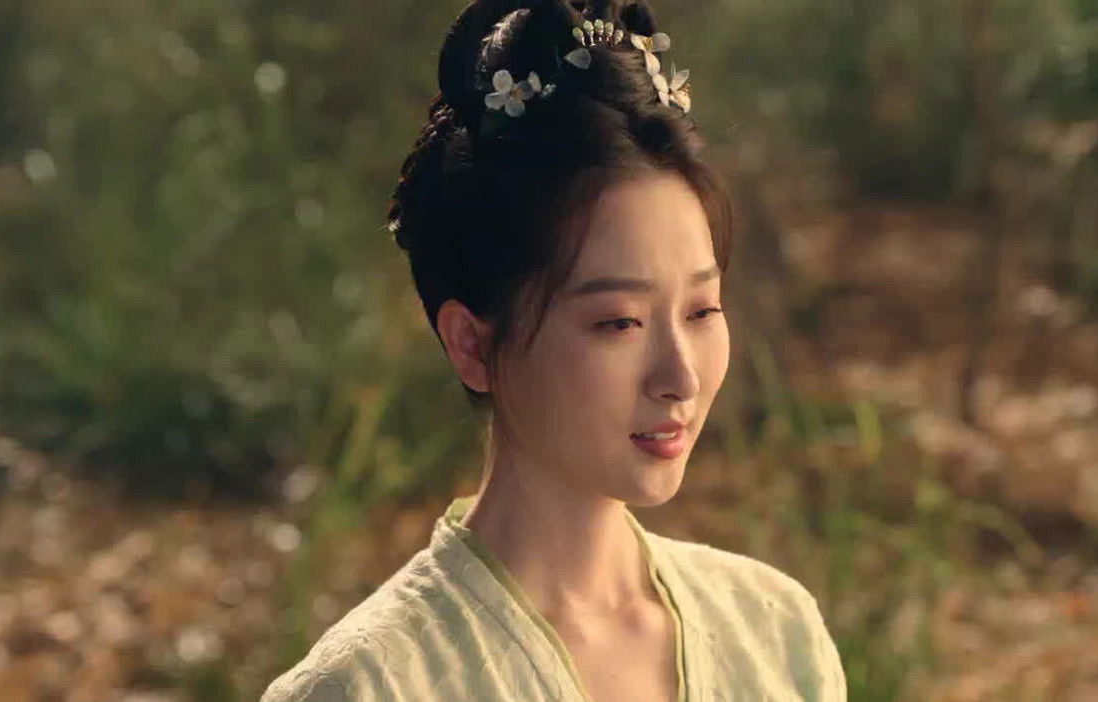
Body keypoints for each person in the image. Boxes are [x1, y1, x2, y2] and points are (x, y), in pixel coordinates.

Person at [261, 0, 848, 700]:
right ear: (472, 344)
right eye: (620, 323)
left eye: (701, 311)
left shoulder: (773, 630)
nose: (681, 376)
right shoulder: (370, 684)